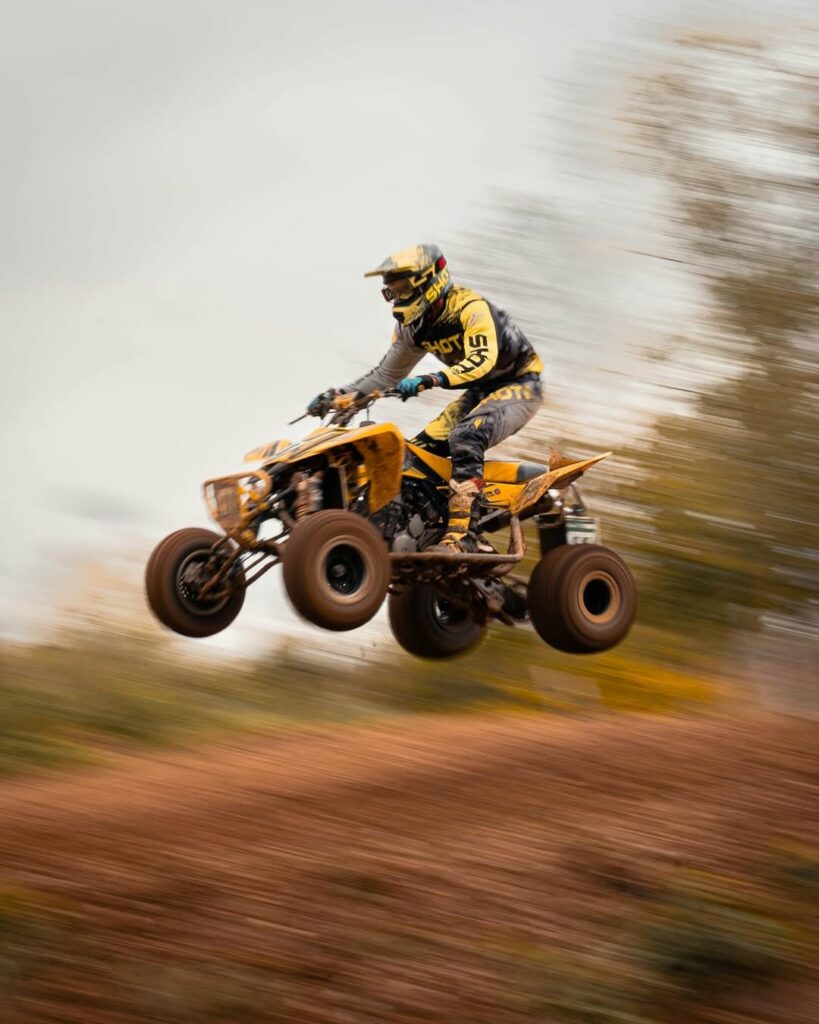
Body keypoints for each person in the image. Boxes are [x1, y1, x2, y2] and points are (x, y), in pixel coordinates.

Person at [307, 244, 543, 551]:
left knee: (466, 436)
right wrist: (338, 396)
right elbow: (384, 375)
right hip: (479, 392)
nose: (398, 298)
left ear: (429, 281)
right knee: (412, 458)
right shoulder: (412, 328)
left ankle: (465, 537)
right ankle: (422, 532)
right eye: (392, 291)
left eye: (404, 289)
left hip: (521, 385)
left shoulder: (469, 308)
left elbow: (481, 361)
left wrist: (430, 379)